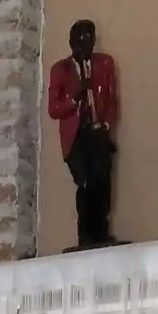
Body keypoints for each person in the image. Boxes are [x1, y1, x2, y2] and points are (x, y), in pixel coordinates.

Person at [47, 20, 120, 248]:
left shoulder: (104, 63)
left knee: (102, 182)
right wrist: (75, 96)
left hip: (97, 131)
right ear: (71, 43)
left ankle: (101, 232)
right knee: (86, 183)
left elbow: (111, 99)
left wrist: (106, 125)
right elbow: (54, 109)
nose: (85, 46)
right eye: (80, 42)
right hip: (76, 136)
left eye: (89, 40)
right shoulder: (61, 69)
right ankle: (85, 235)